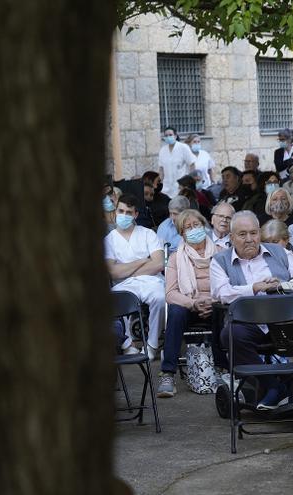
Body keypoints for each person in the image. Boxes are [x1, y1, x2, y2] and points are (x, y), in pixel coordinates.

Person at [211, 211, 293, 410]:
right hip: (249, 324)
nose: (249, 239)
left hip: (284, 323)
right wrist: (254, 288)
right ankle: (274, 386)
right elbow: (222, 293)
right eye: (242, 234)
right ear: (231, 237)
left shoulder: (281, 252)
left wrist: (282, 284)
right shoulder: (220, 261)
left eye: (253, 233)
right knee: (230, 334)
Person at [158, 209, 218, 398]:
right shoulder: (177, 257)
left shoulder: (221, 253)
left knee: (228, 310)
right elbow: (170, 293)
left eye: (196, 225)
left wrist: (212, 302)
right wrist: (192, 303)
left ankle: (225, 369)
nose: (193, 230)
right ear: (182, 233)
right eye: (187, 228)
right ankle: (168, 374)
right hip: (189, 306)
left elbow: (230, 286)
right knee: (175, 312)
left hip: (216, 304)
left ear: (204, 225)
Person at [105, 194, 166, 360]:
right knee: (116, 300)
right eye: (121, 211)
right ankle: (127, 345)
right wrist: (142, 260)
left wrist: (126, 269)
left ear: (136, 214)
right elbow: (114, 272)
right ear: (115, 211)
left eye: (128, 212)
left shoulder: (148, 234)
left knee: (160, 298)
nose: (124, 215)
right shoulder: (109, 240)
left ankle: (152, 345)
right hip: (123, 285)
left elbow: (159, 264)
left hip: (152, 281)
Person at [158, 127, 196, 198]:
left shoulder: (183, 147)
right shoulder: (162, 150)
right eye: (166, 136)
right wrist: (160, 184)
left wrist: (189, 182)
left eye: (170, 135)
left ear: (175, 136)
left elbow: (192, 164)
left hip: (180, 187)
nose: (168, 137)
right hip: (166, 187)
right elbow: (161, 169)